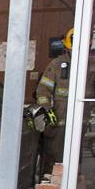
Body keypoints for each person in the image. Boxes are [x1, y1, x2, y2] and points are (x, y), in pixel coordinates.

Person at [34, 34, 71, 180]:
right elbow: (42, 91)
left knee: (74, 159)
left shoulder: (90, 64)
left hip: (80, 123)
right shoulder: (57, 64)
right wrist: (48, 111)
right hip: (58, 122)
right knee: (53, 158)